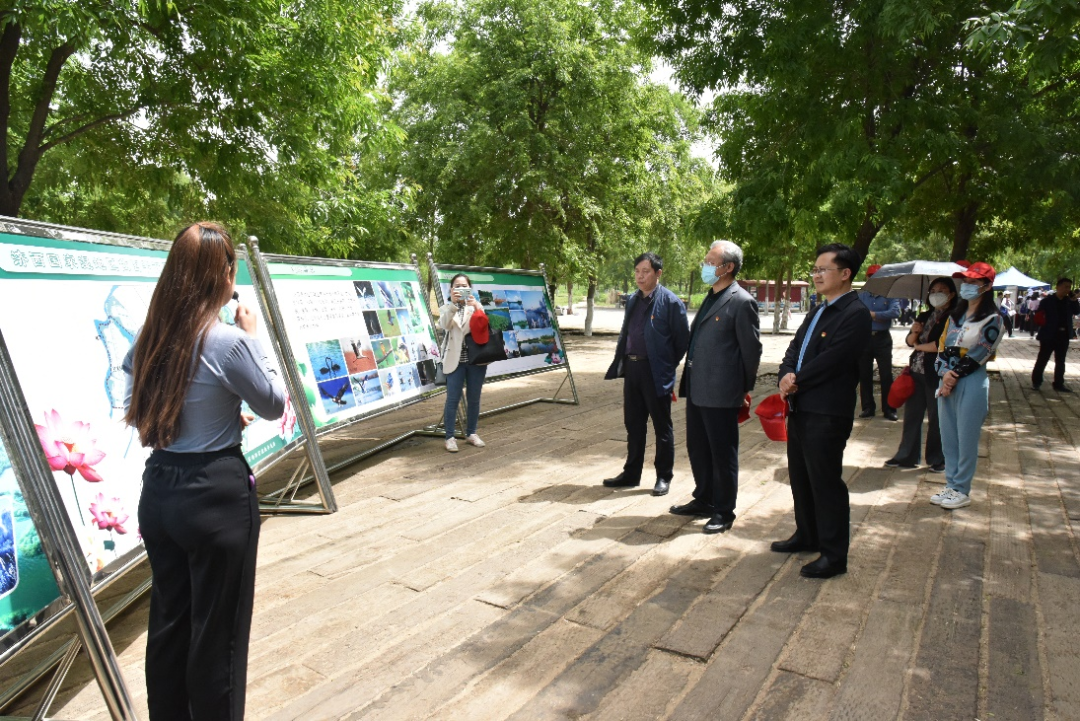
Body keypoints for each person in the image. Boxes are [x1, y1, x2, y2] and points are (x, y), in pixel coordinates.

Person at [123, 222, 286, 721]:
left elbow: (144, 407)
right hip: (214, 497)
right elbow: (273, 402)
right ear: (225, 274)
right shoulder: (230, 342)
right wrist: (253, 337)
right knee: (219, 639)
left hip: (160, 493)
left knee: (170, 623)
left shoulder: (148, 338)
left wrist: (216, 411)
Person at [773, 243, 871, 579]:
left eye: (822, 270)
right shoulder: (818, 310)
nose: (816, 275)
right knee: (800, 477)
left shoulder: (855, 314)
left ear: (845, 274)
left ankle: (833, 554)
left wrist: (796, 380)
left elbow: (835, 360)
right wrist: (785, 373)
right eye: (814, 269)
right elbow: (795, 348)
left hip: (827, 411)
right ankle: (807, 534)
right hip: (800, 406)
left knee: (825, 482)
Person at [669, 240, 761, 533]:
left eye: (710, 262)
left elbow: (751, 351)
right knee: (698, 448)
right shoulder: (710, 297)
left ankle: (723, 510)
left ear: (728, 267)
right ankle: (704, 498)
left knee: (722, 453)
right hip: (697, 387)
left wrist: (742, 390)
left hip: (722, 391)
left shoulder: (741, 301)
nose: (705, 266)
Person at [603, 252, 690, 496]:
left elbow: (682, 341)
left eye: (646, 272)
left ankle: (663, 476)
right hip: (633, 369)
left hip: (656, 371)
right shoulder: (632, 300)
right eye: (637, 272)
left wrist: (665, 365)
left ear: (658, 273)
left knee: (662, 426)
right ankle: (631, 473)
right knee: (633, 423)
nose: (640, 277)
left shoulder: (671, 302)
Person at [932, 262, 1004, 510]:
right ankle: (951, 484)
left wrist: (953, 376)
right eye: (966, 282)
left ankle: (962, 488)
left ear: (987, 286)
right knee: (948, 436)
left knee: (966, 437)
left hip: (971, 381)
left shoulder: (993, 319)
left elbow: (981, 351)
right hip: (946, 381)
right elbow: (942, 347)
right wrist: (944, 373)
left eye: (974, 282)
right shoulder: (954, 317)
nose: (968, 286)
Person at [884, 278, 957, 472]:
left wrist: (919, 346)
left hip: (937, 373)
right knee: (912, 416)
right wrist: (915, 333)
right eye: (933, 290)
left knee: (936, 418)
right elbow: (909, 341)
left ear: (951, 294)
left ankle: (937, 458)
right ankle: (906, 455)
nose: (936, 294)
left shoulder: (954, 317)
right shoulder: (925, 315)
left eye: (942, 290)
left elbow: (941, 345)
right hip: (916, 372)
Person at [438, 274, 490, 452]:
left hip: (476, 360)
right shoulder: (446, 308)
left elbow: (483, 326)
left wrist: (476, 307)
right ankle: (449, 437)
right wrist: (454, 305)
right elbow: (444, 325)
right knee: (452, 398)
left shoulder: (476, 306)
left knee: (474, 398)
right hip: (455, 360)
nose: (461, 289)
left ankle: (471, 433)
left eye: (464, 286)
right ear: (451, 289)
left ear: (470, 288)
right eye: (457, 286)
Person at [857, 264, 902, 420]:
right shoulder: (861, 296)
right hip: (864, 338)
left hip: (882, 338)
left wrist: (874, 315)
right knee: (864, 374)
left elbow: (895, 312)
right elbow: (856, 313)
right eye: (871, 277)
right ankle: (868, 407)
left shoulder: (890, 295)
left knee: (886, 374)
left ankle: (889, 409)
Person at [1032, 277, 1079, 392]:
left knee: (1060, 361)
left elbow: (1077, 311)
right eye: (1065, 287)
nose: (1067, 289)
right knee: (1043, 359)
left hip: (1063, 335)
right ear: (1058, 287)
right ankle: (1036, 381)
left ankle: (1058, 383)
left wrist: (1074, 300)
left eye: (1069, 287)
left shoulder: (1069, 301)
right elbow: (1039, 315)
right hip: (1048, 334)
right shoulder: (1047, 301)